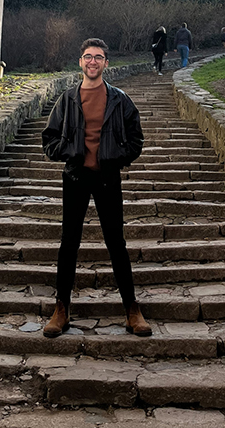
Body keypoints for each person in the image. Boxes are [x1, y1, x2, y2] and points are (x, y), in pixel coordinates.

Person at [40, 38, 150, 338]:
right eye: (88, 56)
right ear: (80, 62)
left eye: (98, 57)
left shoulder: (119, 99)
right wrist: (68, 152)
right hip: (75, 178)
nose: (92, 62)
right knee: (69, 244)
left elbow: (136, 138)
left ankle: (132, 310)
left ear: (105, 63)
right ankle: (60, 310)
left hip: (107, 178)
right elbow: (48, 138)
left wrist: (116, 157)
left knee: (117, 244)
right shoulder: (68, 99)